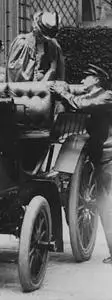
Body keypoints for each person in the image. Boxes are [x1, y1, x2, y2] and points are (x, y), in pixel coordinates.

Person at [49, 63, 112, 264]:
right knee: (103, 202)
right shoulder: (94, 95)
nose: (83, 80)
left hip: (108, 155)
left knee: (106, 202)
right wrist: (62, 92)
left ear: (96, 80)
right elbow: (76, 102)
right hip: (99, 153)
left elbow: (79, 105)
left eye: (87, 77)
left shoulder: (107, 95)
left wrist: (63, 93)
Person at [8, 11, 65, 82]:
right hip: (25, 89)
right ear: (36, 29)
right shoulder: (23, 43)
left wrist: (45, 79)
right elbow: (16, 74)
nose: (42, 39)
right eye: (41, 35)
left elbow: (55, 69)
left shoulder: (53, 45)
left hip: (46, 87)